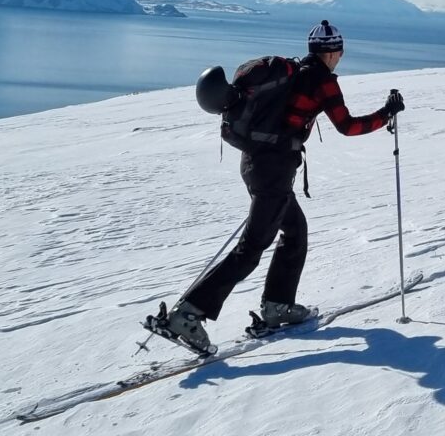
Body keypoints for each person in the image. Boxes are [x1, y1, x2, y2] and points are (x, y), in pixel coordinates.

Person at [160, 20, 405, 352]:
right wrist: (386, 112)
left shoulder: (294, 72)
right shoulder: (323, 83)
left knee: (295, 232)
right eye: (339, 52)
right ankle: (188, 314)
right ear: (335, 53)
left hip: (256, 162)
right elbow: (347, 126)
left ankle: (278, 306)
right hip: (273, 171)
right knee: (250, 249)